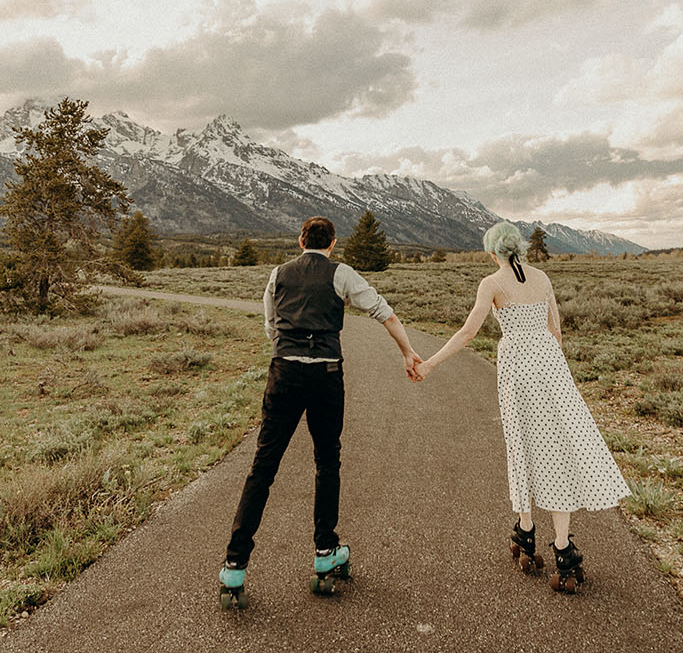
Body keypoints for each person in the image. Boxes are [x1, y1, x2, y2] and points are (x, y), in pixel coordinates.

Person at [413, 220, 630, 592]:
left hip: (517, 370)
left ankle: (526, 530)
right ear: (520, 248)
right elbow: (555, 330)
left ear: (492, 252)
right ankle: (563, 548)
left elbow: (468, 332)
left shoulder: (492, 284)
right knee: (556, 451)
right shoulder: (543, 278)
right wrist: (553, 371)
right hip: (550, 366)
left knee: (522, 448)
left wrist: (430, 363)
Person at [216, 216, 421, 606]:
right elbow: (384, 312)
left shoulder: (278, 274)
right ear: (332, 244)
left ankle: (234, 565)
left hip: (285, 373)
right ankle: (326, 554)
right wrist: (407, 352)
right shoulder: (341, 274)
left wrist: (288, 350)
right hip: (326, 374)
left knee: (263, 465)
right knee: (327, 462)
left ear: (300, 241)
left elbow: (270, 325)